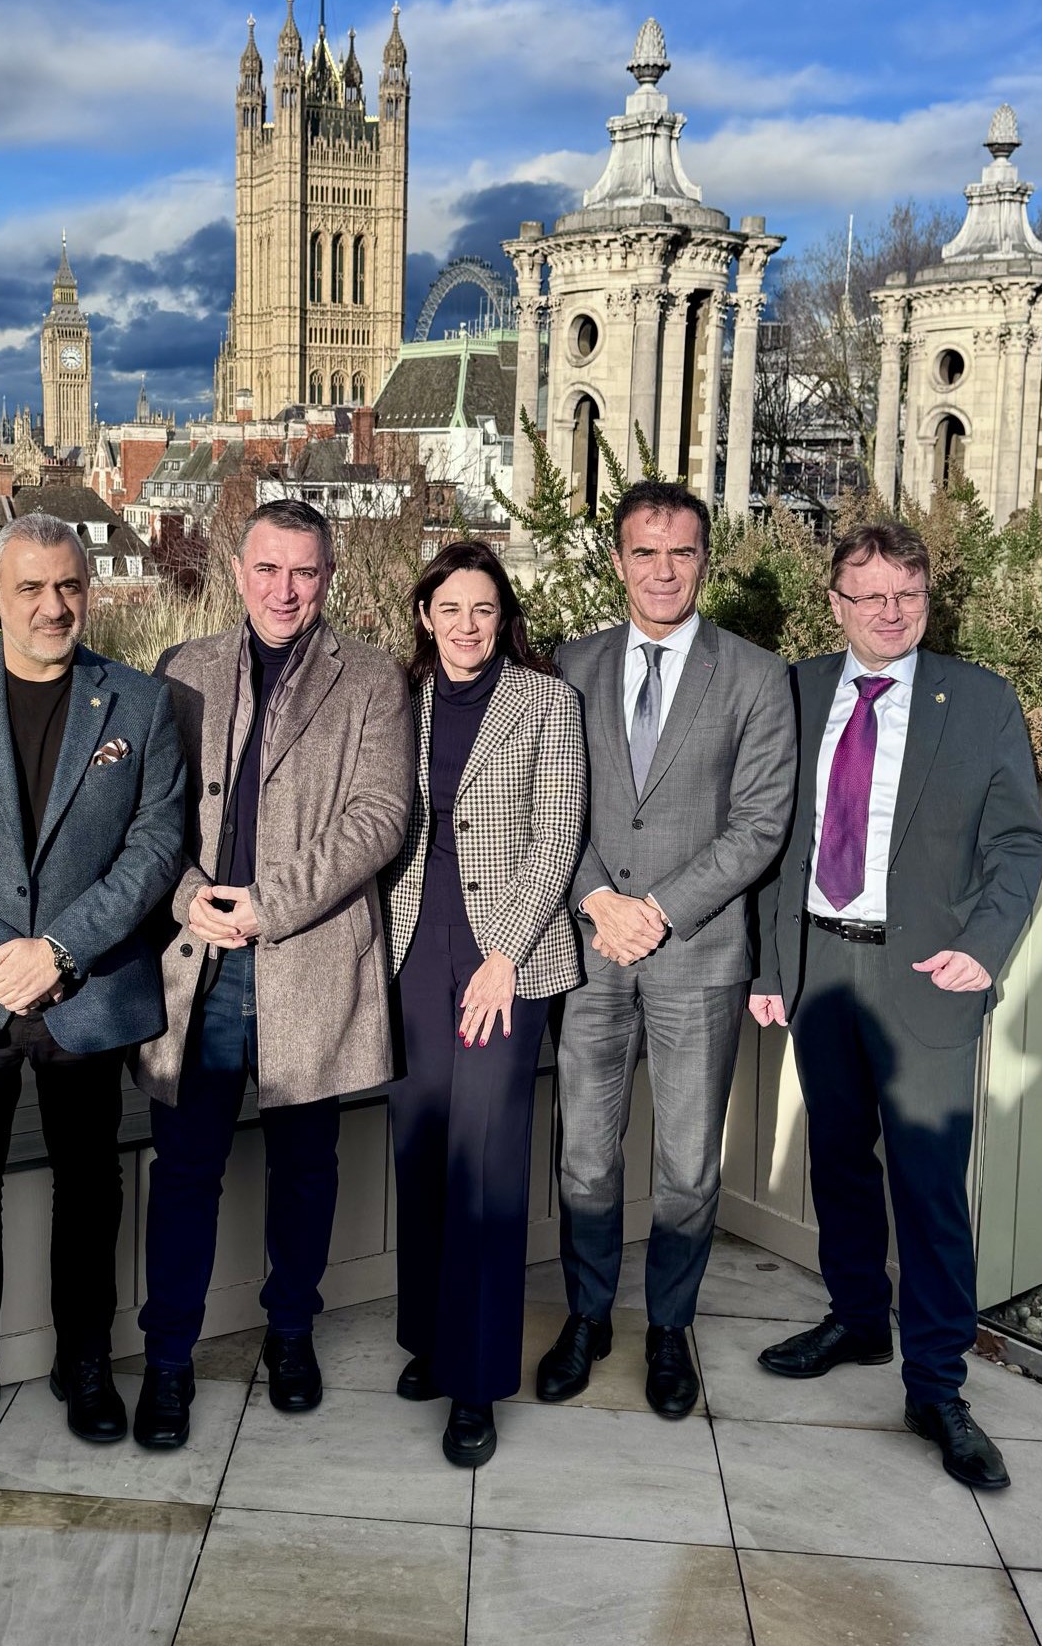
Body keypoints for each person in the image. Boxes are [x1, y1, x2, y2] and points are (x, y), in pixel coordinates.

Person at [749, 522, 1042, 1489]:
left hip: (927, 978)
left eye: (908, 596)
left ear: (927, 598)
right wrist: (767, 965)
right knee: (837, 1158)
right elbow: (765, 837)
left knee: (926, 1186)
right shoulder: (792, 692)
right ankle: (854, 1319)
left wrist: (983, 947)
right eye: (870, 595)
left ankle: (938, 1387)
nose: (891, 613)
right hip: (820, 968)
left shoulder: (981, 702)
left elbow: (1021, 845)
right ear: (835, 603)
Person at [0, 512, 184, 1465]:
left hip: (84, 991)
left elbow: (157, 844)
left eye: (69, 587)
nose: (54, 607)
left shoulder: (138, 702)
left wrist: (58, 949)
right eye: (31, 589)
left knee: (91, 1189)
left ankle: (84, 1364)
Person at [133, 498, 413, 1450]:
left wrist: (270, 901)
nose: (284, 590)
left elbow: (380, 817)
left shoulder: (371, 677)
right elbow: (146, 817)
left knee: (304, 1170)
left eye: (304, 572)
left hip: (307, 955)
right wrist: (186, 897)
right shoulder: (184, 671)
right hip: (204, 971)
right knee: (184, 1174)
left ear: (328, 578)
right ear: (237, 569)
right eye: (267, 569)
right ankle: (167, 1360)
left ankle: (290, 1333)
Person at [538, 481, 795, 1419]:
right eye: (644, 552)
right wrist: (600, 899)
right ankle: (588, 1315)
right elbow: (548, 806)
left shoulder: (756, 676)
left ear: (703, 560)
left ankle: (671, 1328)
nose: (662, 570)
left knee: (688, 1166)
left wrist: (660, 908)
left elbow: (762, 824)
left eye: (681, 552)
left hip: (698, 954)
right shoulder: (570, 666)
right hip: (593, 947)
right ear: (617, 560)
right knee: (586, 1158)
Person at [380, 541, 585, 1467]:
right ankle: (430, 1335)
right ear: (426, 615)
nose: (468, 626)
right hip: (418, 943)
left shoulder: (547, 701)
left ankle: (477, 1384)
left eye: (485, 610)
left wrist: (504, 953)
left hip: (510, 951)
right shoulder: (401, 700)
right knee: (421, 1146)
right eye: (451, 609)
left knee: (488, 1163)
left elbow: (558, 833)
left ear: (506, 618)